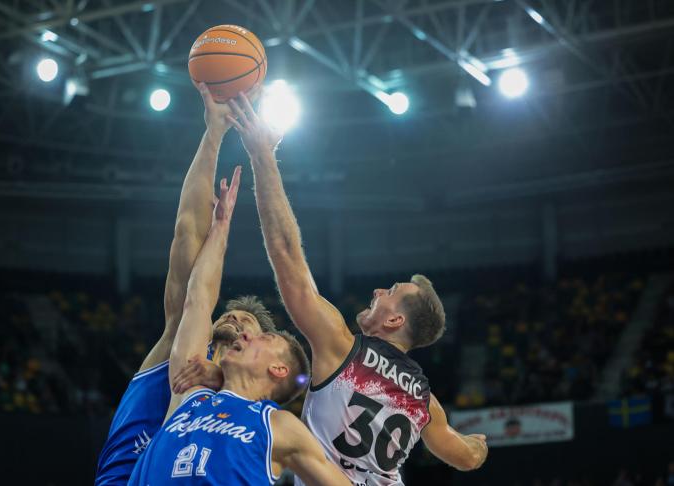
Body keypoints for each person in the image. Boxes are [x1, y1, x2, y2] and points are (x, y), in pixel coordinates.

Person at [225, 93, 489, 485]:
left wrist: (263, 156)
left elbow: (285, 253)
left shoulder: (340, 347)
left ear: (396, 319)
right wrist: (480, 444)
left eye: (392, 291)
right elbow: (465, 457)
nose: (380, 289)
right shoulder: (425, 402)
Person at [95, 83, 274, 485]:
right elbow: (186, 233)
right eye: (229, 314)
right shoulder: (187, 339)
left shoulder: (258, 407)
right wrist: (213, 134)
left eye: (247, 324)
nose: (234, 322)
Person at [128, 166, 350, 486]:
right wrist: (220, 227)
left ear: (279, 369)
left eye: (265, 337)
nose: (246, 334)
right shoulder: (190, 391)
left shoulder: (279, 427)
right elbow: (197, 300)